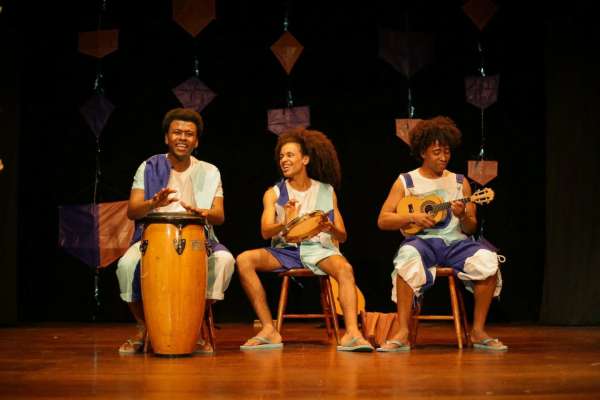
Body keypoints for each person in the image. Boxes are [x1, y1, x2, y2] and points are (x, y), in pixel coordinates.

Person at [236, 128, 373, 352]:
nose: (284, 160)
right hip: (286, 250)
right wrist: (285, 222)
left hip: (319, 249)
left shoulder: (326, 191)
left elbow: (343, 235)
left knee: (345, 269)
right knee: (244, 260)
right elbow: (265, 232)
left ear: (305, 159)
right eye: (281, 156)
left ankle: (352, 333)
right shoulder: (274, 192)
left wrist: (330, 228)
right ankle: (269, 329)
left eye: (290, 155)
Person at [377, 116, 505, 351]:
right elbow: (383, 220)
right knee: (407, 257)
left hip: (456, 244)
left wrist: (463, 216)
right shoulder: (406, 181)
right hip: (423, 243)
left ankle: (477, 331)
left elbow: (471, 228)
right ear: (423, 152)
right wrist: (411, 217)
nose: (443, 157)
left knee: (488, 259)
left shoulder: (460, 183)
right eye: (437, 152)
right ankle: (403, 332)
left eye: (446, 152)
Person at [116, 108, 234, 354]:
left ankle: (193, 326)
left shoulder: (210, 171)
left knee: (224, 261)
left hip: (197, 237)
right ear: (167, 138)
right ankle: (143, 327)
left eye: (189, 134)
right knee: (127, 265)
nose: (183, 137)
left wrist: (204, 212)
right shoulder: (149, 167)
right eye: (177, 132)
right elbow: (132, 211)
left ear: (196, 140)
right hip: (154, 237)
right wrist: (152, 204)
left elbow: (219, 215)